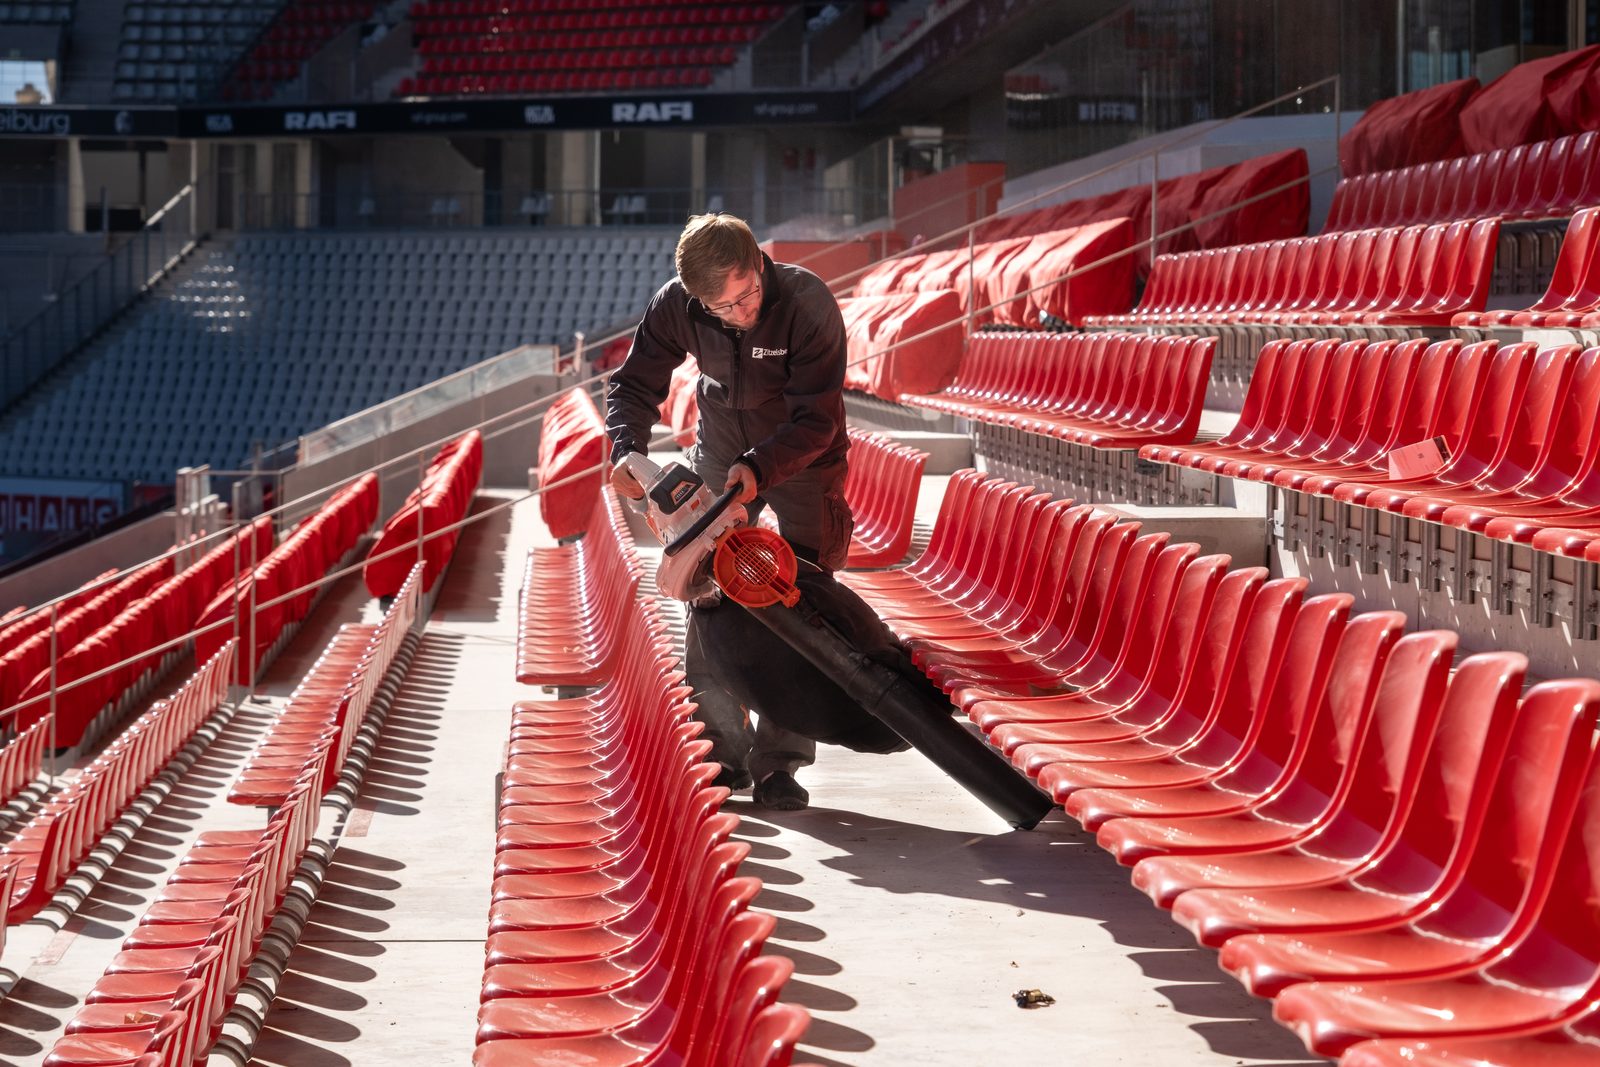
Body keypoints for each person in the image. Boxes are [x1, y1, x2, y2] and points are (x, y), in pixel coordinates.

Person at [605, 213, 854, 811]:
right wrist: (626, 451)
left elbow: (817, 419)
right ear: (696, 299)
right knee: (708, 589)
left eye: (747, 297)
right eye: (722, 309)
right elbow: (633, 385)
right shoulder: (676, 304)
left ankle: (780, 764)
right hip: (720, 443)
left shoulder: (807, 303)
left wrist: (761, 467)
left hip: (802, 454)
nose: (740, 313)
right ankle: (720, 749)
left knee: (798, 598)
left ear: (758, 264)